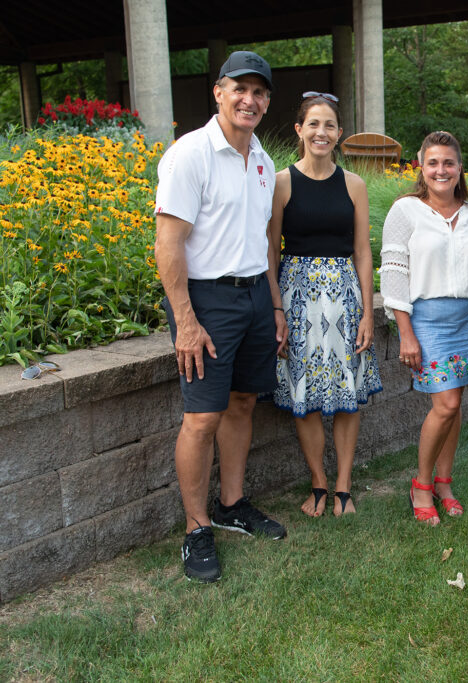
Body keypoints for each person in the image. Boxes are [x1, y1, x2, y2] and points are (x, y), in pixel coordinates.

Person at [154, 51, 286, 583]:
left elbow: (264, 242)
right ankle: (196, 528)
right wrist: (185, 320)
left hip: (254, 294)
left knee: (243, 401)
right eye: (240, 89)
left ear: (267, 102)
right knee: (202, 417)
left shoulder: (263, 160)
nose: (249, 100)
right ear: (218, 92)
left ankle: (232, 503)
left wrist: (273, 305)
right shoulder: (190, 155)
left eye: (259, 92)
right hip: (205, 300)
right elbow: (168, 244)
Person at [267, 92, 382, 519]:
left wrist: (368, 312)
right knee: (304, 391)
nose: (322, 132)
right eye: (313, 124)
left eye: (330, 125)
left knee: (347, 390)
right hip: (297, 298)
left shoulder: (354, 184)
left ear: (338, 134)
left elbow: (363, 252)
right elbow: (269, 250)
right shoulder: (281, 182)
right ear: (299, 130)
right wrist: (277, 308)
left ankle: (343, 487)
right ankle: (317, 481)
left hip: (345, 298)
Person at [380, 131, 468, 525]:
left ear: (460, 169)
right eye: (433, 163)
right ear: (421, 168)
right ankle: (421, 485)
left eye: (449, 163)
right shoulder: (405, 211)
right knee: (447, 404)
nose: (441, 170)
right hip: (427, 321)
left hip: (467, 320)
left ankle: (444, 482)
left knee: (454, 406)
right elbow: (393, 273)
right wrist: (405, 332)